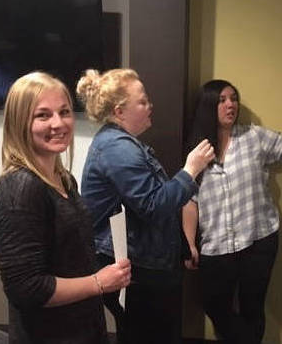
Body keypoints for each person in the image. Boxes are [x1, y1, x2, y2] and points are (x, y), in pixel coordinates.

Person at [0, 71, 131, 344]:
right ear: (20, 122)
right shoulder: (20, 190)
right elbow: (26, 288)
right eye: (43, 115)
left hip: (84, 328)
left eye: (64, 112)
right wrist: (98, 282)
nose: (59, 123)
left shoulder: (64, 179)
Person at [76, 68, 215, 344]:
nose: (150, 106)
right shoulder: (118, 149)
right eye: (142, 101)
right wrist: (190, 170)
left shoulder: (122, 144)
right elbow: (154, 205)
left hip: (141, 265)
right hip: (138, 271)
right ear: (119, 111)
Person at [182, 79, 282, 344]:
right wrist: (190, 243)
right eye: (222, 100)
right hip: (216, 245)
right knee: (213, 304)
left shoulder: (254, 137)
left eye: (233, 98)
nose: (230, 104)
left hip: (258, 240)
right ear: (209, 105)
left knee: (253, 307)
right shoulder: (197, 151)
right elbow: (190, 200)